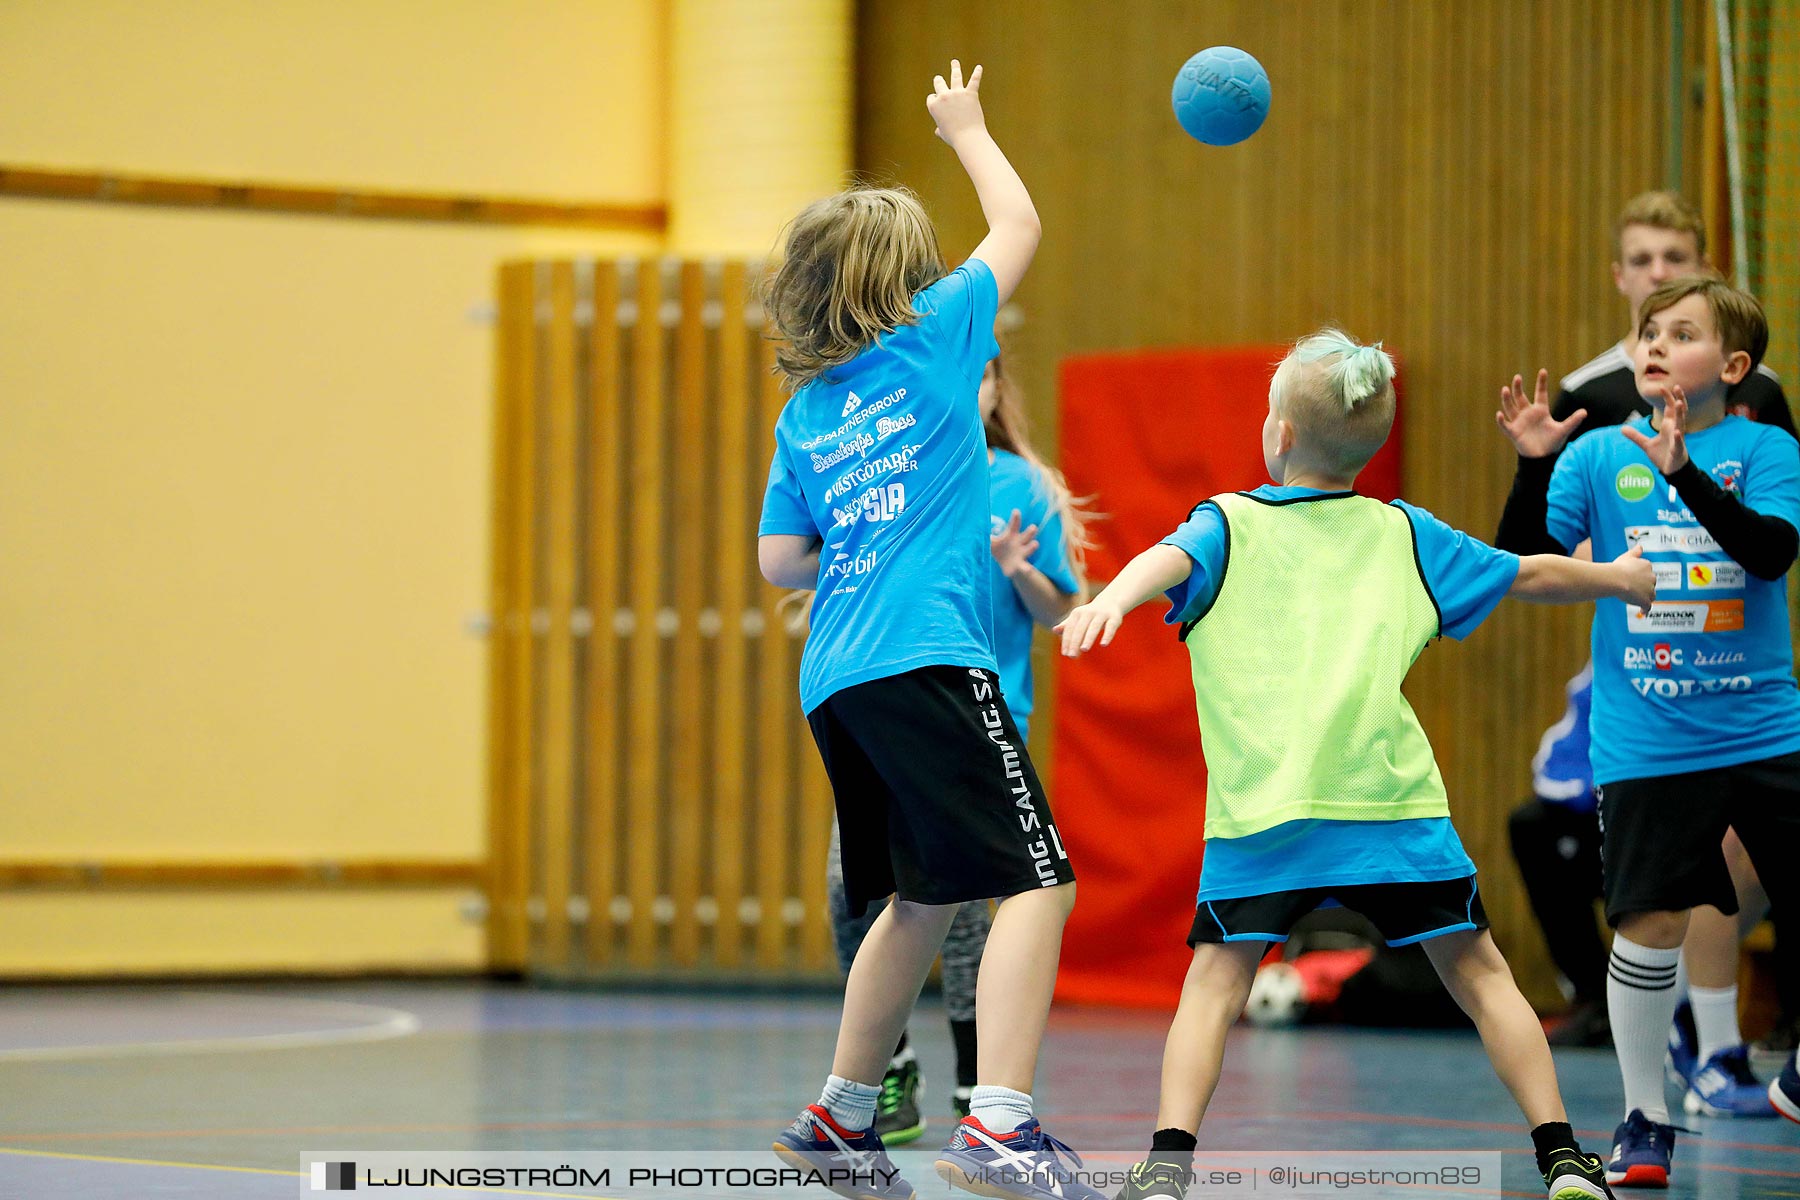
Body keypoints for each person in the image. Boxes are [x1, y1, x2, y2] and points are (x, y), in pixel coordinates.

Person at [1058, 328, 1646, 1200]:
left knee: (1214, 987)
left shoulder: (1230, 522)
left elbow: (1164, 558)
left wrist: (1111, 597)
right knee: (1483, 977)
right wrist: (1624, 579)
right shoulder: (1405, 533)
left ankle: (1165, 1167)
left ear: (1280, 437)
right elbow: (1531, 573)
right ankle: (1562, 1155)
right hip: (1391, 810)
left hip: (1268, 815)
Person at [758, 61, 1102, 1200]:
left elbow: (778, 563)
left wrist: (861, 535)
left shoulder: (805, 413)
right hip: (928, 659)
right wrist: (965, 127)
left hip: (837, 675)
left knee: (921, 893)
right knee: (1040, 880)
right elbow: (1019, 220)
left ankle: (843, 1116)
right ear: (909, 281)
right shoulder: (943, 333)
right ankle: (999, 1123)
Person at [1493, 276, 1800, 1185]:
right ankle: (1643, 1119)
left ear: (1732, 366)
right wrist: (1535, 461)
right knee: (1650, 921)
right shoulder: (1595, 457)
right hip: (1649, 739)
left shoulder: (1765, 447)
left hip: (1760, 728)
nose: (1658, 344)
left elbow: (1770, 552)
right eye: (1649, 332)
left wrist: (1685, 477)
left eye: (1685, 333)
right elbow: (1521, 563)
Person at [822, 349, 1088, 1144]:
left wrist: (1016, 570)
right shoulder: (898, 471)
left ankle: (980, 1084)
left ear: (999, 389)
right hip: (895, 706)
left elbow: (1062, 610)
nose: (970, 389)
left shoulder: (1018, 486)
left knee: (967, 904)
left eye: (983, 376)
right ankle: (882, 1072)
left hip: (979, 709)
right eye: (958, 373)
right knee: (857, 889)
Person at [1508, 665, 1609, 1047]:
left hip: (1679, 806)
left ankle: (1691, 1016)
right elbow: (1556, 760)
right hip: (1609, 806)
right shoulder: (1615, 652)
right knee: (1532, 825)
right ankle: (1594, 998)